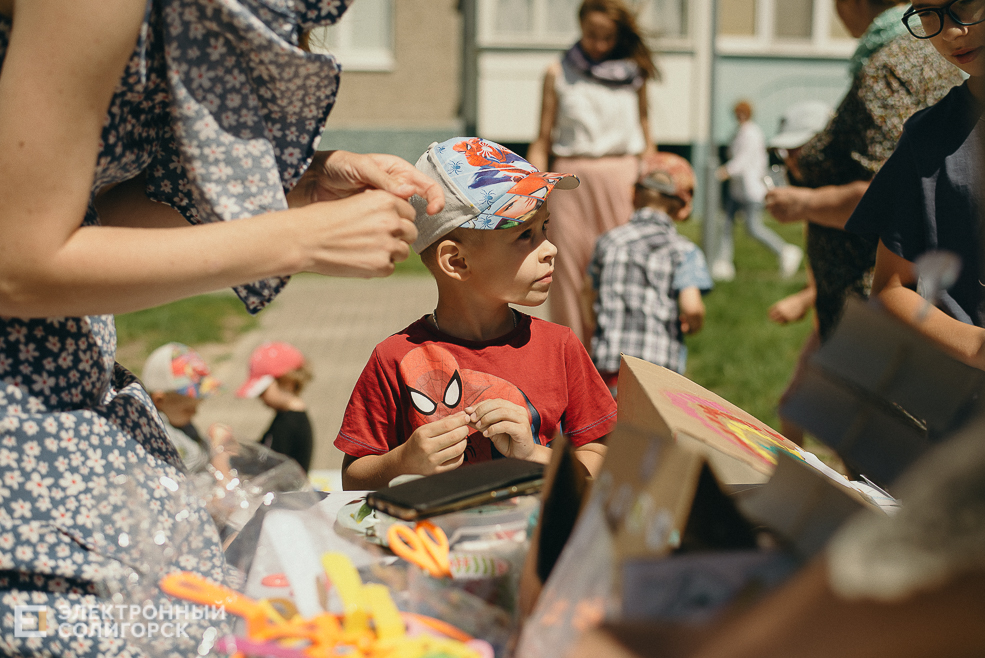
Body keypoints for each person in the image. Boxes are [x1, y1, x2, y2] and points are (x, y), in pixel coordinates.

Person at [0, 0, 443, 654]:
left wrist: (304, 188)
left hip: (64, 404)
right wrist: (294, 239)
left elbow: (84, 217)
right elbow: (20, 264)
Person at [336, 137, 617, 490]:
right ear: (456, 261)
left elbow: (603, 459)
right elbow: (352, 478)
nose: (550, 248)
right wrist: (404, 461)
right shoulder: (393, 358)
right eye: (525, 235)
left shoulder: (559, 347)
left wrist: (533, 455)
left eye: (544, 227)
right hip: (434, 543)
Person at [765, 0, 962, 343]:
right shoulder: (927, 54)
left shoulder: (889, 66)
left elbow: (892, 196)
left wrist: (806, 203)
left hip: (875, 303)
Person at [845, 0, 985, 367]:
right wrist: (975, 346)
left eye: (967, 4)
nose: (951, 32)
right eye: (927, 14)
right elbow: (892, 290)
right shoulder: (928, 138)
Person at [527, 0, 659, 346]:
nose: (598, 44)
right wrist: (531, 188)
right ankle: (574, 358)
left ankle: (620, 360)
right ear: (580, 27)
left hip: (623, 179)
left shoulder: (634, 73)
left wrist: (654, 179)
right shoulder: (558, 71)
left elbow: (646, 130)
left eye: (606, 37)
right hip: (571, 183)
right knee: (568, 272)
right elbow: (542, 138)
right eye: (591, 35)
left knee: (622, 270)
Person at [585, 152, 712, 397]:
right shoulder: (684, 251)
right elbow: (692, 306)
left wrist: (595, 319)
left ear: (634, 195)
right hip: (659, 370)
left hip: (612, 364)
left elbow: (587, 292)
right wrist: (694, 321)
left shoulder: (609, 241)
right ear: (683, 208)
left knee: (611, 429)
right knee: (653, 432)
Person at [713, 100, 803, 282]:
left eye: (743, 112)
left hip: (750, 188)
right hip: (738, 189)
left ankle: (786, 251)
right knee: (726, 226)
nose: (740, 116)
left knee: (753, 228)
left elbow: (743, 159)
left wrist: (726, 171)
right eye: (737, 113)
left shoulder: (751, 133)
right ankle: (723, 262)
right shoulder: (739, 132)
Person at [237, 341, 315, 472]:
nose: (260, 397)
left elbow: (271, 463)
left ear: (287, 382)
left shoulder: (290, 423)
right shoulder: (284, 416)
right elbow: (264, 448)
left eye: (263, 391)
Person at [142, 341, 221, 472]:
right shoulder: (160, 438)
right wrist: (218, 457)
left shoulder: (181, 424)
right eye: (188, 409)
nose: (195, 413)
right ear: (159, 400)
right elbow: (186, 477)